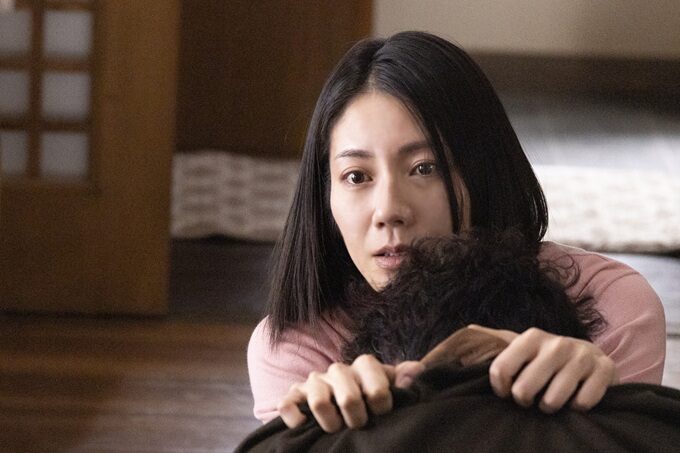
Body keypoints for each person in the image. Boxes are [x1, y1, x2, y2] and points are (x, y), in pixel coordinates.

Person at [247, 31, 666, 433]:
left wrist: (597, 401)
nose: (389, 210)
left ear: (484, 171)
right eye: (357, 176)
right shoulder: (295, 350)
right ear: (325, 194)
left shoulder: (610, 306)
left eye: (424, 168)